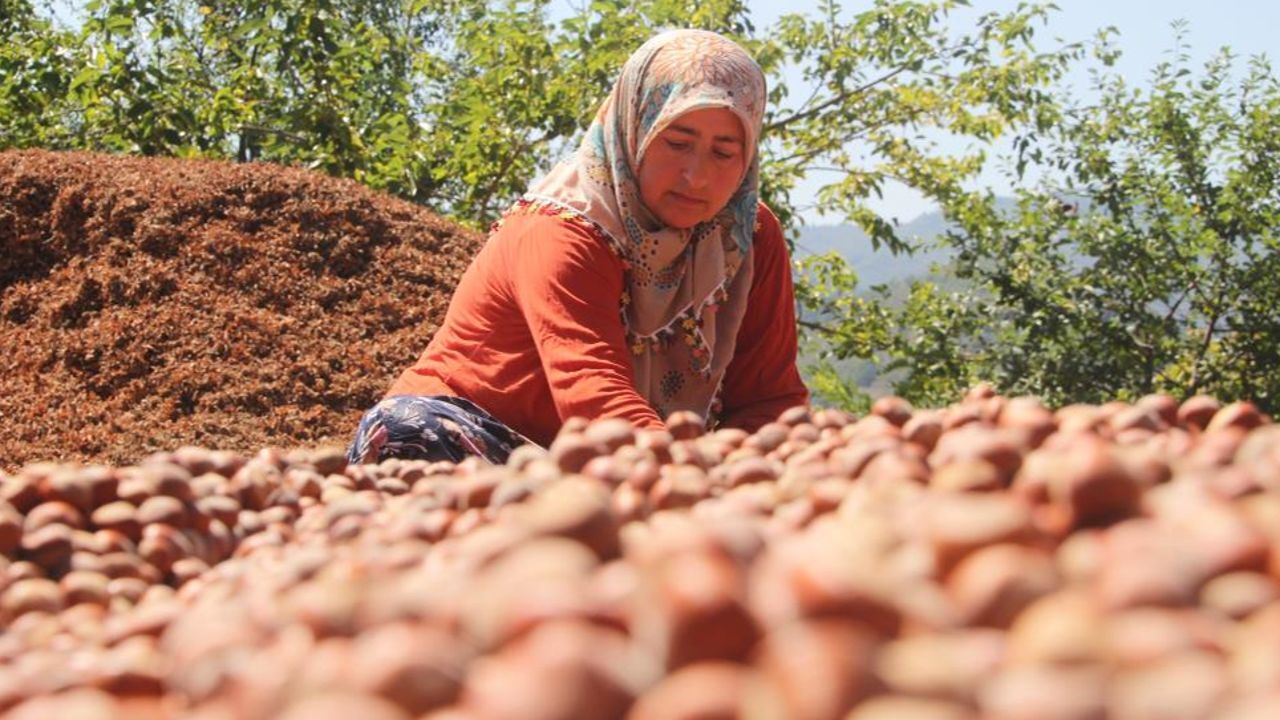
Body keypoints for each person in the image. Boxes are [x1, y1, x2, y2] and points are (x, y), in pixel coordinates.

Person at [346, 28, 808, 465]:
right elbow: (591, 389)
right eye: (676, 142)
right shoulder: (564, 227)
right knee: (404, 430)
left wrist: (757, 472)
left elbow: (769, 397)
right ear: (635, 131)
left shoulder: (747, 237)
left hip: (627, 463)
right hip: (493, 440)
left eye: (723, 152)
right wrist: (688, 473)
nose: (697, 176)